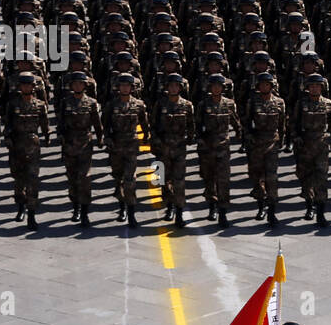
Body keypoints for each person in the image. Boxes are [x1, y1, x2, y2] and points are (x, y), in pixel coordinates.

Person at [3, 71, 50, 230]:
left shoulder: (40, 105)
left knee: (33, 181)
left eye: (29, 85)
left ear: (33, 87)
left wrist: (46, 136)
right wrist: (7, 137)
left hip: (32, 146)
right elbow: (7, 124)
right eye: (23, 84)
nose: (26, 87)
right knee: (18, 179)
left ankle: (31, 214)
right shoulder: (13, 105)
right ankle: (20, 206)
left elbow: (44, 124)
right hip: (16, 146)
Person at [103, 72, 150, 228]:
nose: (125, 88)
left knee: (130, 181)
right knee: (118, 179)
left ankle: (131, 213)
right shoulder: (111, 105)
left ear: (131, 88)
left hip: (131, 147)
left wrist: (146, 137)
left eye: (127, 85)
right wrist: (107, 139)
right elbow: (106, 125)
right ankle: (121, 207)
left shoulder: (139, 105)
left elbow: (144, 123)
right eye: (122, 85)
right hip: (116, 147)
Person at [290, 74, 331, 227]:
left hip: (321, 146)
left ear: (321, 87)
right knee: (306, 178)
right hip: (305, 145)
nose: (314, 88)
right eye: (312, 86)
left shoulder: (329, 104)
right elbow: (294, 123)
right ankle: (309, 206)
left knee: (322, 179)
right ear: (307, 88)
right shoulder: (301, 104)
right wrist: (295, 138)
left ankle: (321, 213)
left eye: (317, 86)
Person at [57, 70, 102, 227]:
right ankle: (75, 207)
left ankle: (84, 212)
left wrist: (100, 138)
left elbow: (97, 123)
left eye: (80, 83)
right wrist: (61, 137)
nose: (78, 85)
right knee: (72, 178)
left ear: (85, 85)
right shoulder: (65, 102)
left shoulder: (91, 103)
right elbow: (60, 122)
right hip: (69, 144)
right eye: (75, 83)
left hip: (84, 144)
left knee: (84, 179)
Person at [198, 73, 242, 227]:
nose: (216, 88)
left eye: (219, 86)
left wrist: (242, 136)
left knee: (223, 181)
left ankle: (223, 212)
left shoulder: (229, 104)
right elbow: (198, 125)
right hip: (207, 149)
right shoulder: (203, 105)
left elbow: (236, 122)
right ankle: (212, 207)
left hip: (223, 148)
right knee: (209, 180)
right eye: (213, 86)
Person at [151, 73, 194, 229]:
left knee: (179, 182)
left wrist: (190, 138)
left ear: (180, 88)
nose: (173, 88)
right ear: (167, 88)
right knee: (164, 180)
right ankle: (169, 206)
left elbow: (191, 126)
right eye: (171, 86)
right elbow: (153, 125)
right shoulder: (160, 105)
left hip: (179, 150)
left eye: (176, 86)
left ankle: (179, 213)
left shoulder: (187, 105)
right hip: (163, 149)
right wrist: (155, 141)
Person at [243, 72, 285, 226]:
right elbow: (246, 122)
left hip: (272, 144)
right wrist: (248, 139)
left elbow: (282, 124)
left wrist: (281, 141)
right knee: (257, 177)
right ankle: (261, 206)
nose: (264, 86)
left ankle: (272, 211)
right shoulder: (252, 102)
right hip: (256, 145)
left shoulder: (279, 102)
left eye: (267, 84)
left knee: (272, 179)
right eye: (262, 84)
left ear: (271, 86)